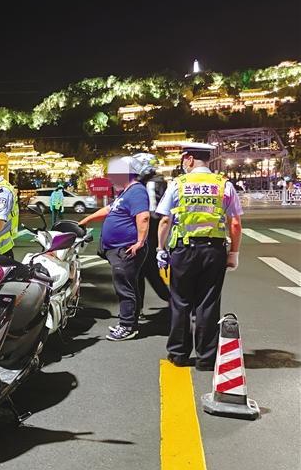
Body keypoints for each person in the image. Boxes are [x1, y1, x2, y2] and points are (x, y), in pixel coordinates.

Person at [155, 142, 243, 371]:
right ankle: (206, 358)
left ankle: (178, 354)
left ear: (190, 159)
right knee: (208, 303)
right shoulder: (223, 184)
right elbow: (235, 222)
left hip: (184, 250)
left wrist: (160, 249)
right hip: (214, 251)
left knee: (180, 302)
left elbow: (165, 220)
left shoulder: (178, 184)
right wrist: (234, 253)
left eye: (184, 159)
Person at [78, 155, 151, 341]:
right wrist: (86, 220)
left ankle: (127, 326)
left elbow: (143, 217)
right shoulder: (126, 192)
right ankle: (131, 321)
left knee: (124, 288)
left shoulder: (137, 191)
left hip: (125, 248)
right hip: (119, 248)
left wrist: (139, 242)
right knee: (130, 285)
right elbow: (109, 209)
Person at [139, 156, 170, 304]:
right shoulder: (158, 181)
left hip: (150, 230)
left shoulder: (151, 184)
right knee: (146, 268)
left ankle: (171, 298)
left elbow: (151, 212)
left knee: (144, 268)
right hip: (156, 230)